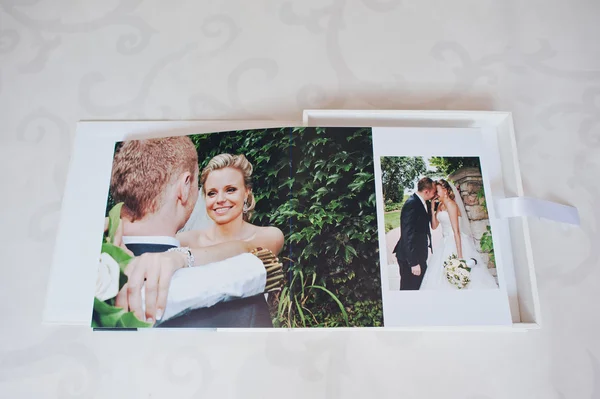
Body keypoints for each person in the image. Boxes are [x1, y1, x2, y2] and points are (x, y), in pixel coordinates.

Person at [108, 137, 279, 327]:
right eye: (212, 193)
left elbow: (249, 250)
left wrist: (180, 257)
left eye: (230, 190)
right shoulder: (186, 238)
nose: (220, 199)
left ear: (247, 192)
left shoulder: (269, 235)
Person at [420, 179, 498, 290]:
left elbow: (456, 231)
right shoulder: (440, 206)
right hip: (444, 242)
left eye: (437, 190)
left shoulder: (452, 205)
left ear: (445, 190)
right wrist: (432, 208)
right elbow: (434, 226)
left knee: (459, 273)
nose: (435, 193)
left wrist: (460, 256)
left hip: (455, 241)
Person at [392, 177, 437, 290]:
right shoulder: (411, 204)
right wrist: (413, 263)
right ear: (426, 191)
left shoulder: (422, 202)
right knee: (409, 289)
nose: (435, 194)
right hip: (410, 258)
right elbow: (407, 234)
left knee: (420, 286)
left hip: (418, 254)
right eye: (434, 192)